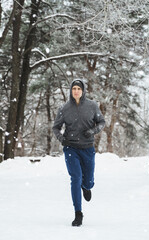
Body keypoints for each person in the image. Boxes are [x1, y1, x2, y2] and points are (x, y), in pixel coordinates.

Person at [52, 79, 105, 227]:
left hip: (87, 148)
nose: (76, 91)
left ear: (83, 91)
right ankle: (78, 213)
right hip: (71, 148)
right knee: (75, 177)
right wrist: (62, 139)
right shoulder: (64, 108)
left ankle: (86, 187)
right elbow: (56, 127)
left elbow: (102, 122)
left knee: (88, 181)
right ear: (71, 90)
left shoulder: (92, 106)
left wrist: (92, 131)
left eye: (78, 89)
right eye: (74, 88)